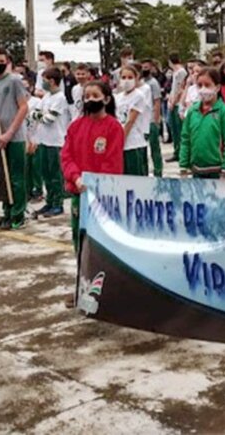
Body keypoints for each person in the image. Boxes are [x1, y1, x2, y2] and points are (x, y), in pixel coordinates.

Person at [62, 80, 125, 304]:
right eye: (87, 96)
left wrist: (96, 185)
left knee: (102, 244)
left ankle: (106, 288)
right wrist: (76, 177)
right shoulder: (75, 126)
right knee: (80, 241)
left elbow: (113, 163)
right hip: (79, 193)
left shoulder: (113, 127)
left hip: (102, 197)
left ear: (106, 99)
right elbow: (66, 156)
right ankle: (82, 285)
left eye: (95, 95)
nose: (90, 100)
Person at [0, 47, 30, 230]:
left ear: (7, 61)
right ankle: (7, 212)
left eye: (0, 61)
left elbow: (23, 107)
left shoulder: (14, 81)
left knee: (16, 179)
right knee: (3, 178)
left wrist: (10, 132)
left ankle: (18, 215)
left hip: (15, 137)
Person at [179, 67, 225, 179]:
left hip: (218, 171)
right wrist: (183, 166)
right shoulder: (192, 111)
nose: (203, 89)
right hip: (196, 170)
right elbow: (185, 139)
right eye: (199, 85)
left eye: (207, 85)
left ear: (217, 87)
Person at [30, 67, 70, 219]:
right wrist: (40, 115)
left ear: (52, 81)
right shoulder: (47, 97)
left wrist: (40, 115)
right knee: (45, 173)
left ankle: (58, 203)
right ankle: (50, 201)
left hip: (56, 141)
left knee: (55, 174)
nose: (43, 84)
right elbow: (33, 113)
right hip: (43, 140)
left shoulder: (60, 98)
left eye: (45, 80)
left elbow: (49, 119)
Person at [115, 65, 151, 176]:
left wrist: (121, 140)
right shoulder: (118, 97)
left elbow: (130, 121)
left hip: (133, 142)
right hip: (120, 141)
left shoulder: (139, 96)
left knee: (135, 177)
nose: (126, 81)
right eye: (124, 77)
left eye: (130, 77)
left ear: (136, 78)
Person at [140, 61, 164, 177]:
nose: (144, 69)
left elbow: (157, 101)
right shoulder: (140, 83)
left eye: (146, 67)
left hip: (151, 119)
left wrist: (156, 119)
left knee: (155, 147)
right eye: (143, 67)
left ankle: (158, 171)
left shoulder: (153, 83)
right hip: (142, 120)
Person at [166, 53, 187, 162]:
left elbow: (180, 88)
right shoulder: (175, 72)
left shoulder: (181, 72)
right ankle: (176, 150)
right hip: (173, 101)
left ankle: (180, 152)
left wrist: (173, 102)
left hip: (178, 103)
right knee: (173, 128)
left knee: (178, 130)